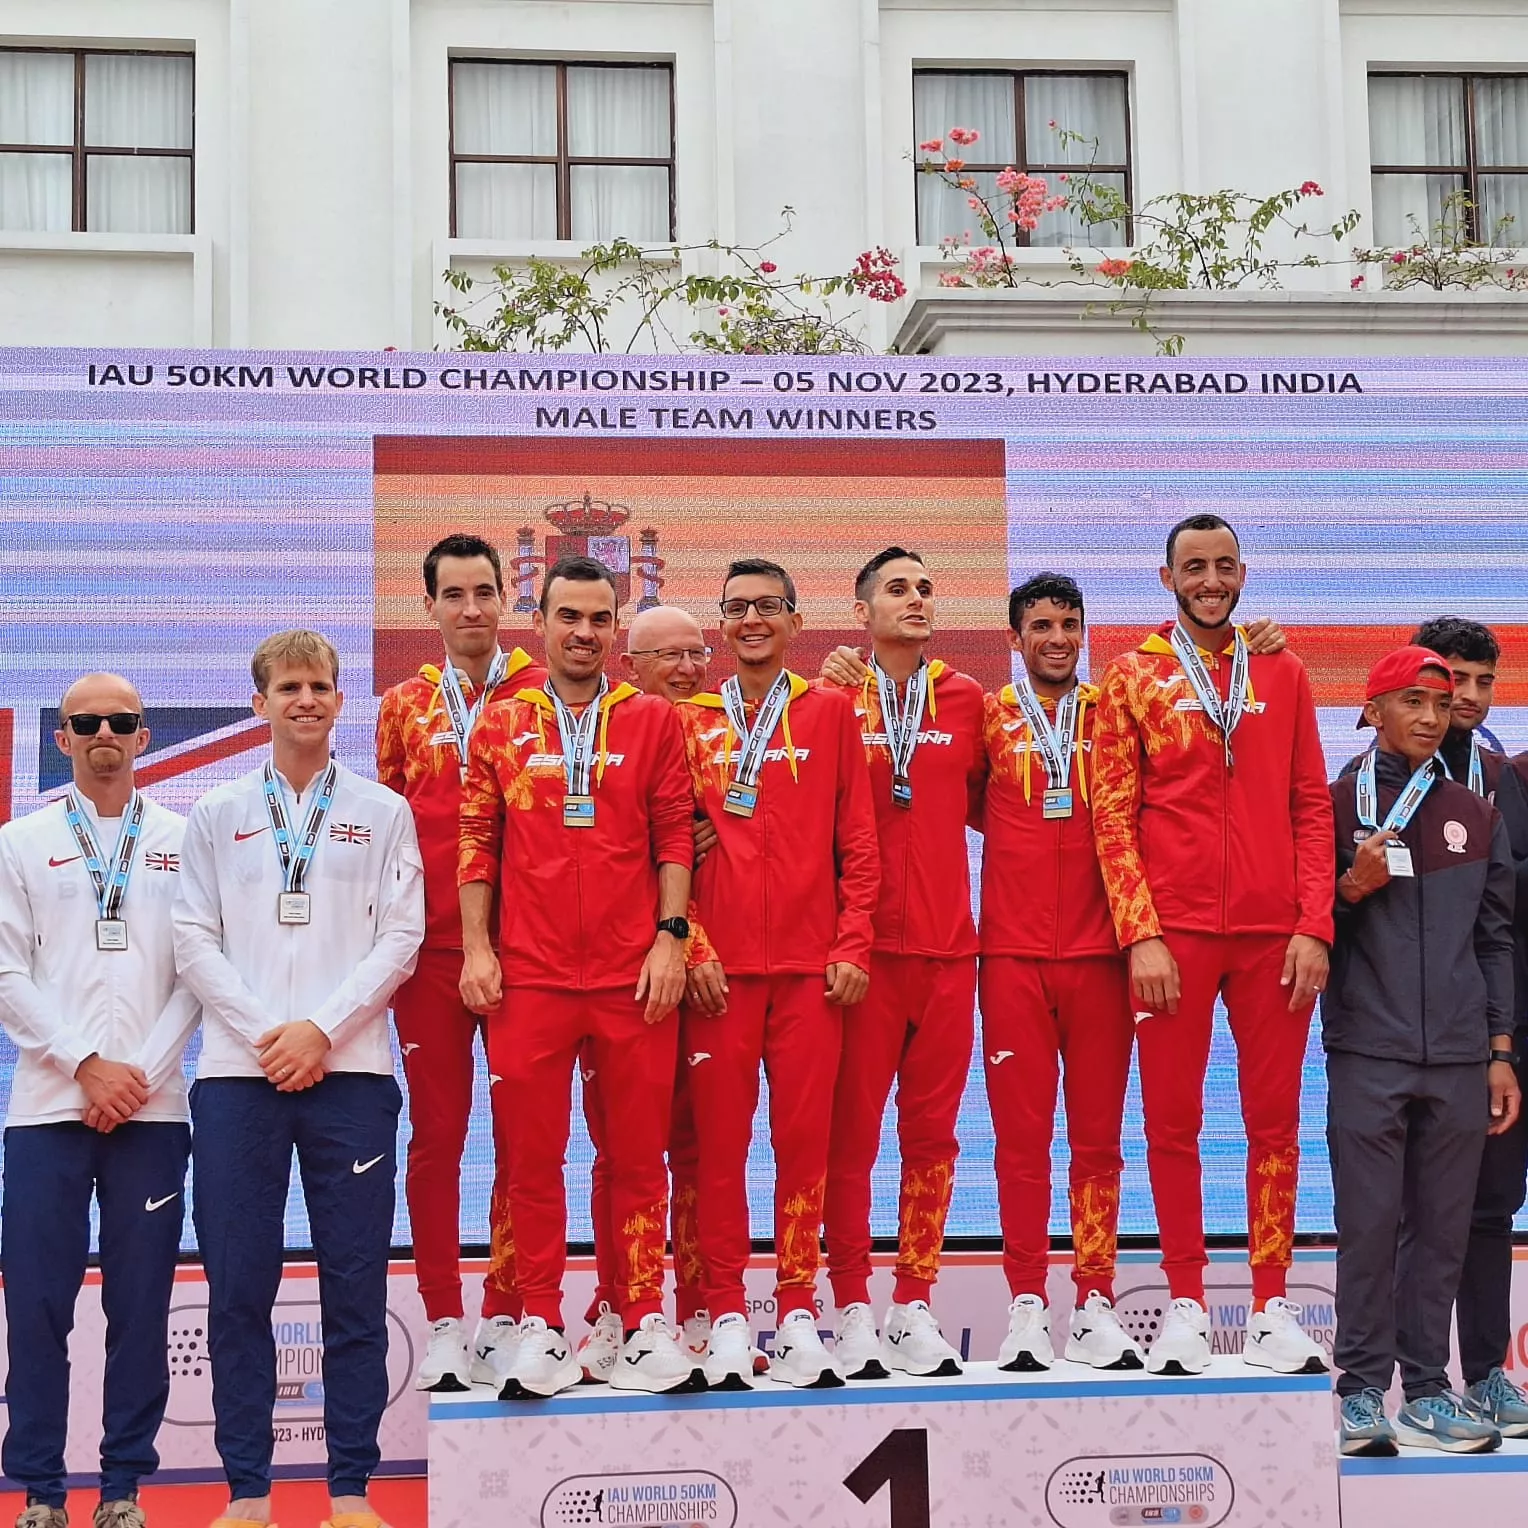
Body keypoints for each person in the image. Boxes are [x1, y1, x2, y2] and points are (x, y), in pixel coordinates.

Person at [173, 630, 424, 1528]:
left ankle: (349, 1489)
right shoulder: (215, 812)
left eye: (320, 685)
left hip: (351, 1074)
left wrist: (320, 1031)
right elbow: (190, 937)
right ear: (260, 702)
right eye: (289, 686)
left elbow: (402, 937)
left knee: (352, 1285)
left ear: (339, 701)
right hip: (239, 1079)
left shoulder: (383, 809)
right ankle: (247, 1490)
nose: (306, 699)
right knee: (240, 1286)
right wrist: (266, 1035)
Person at [1091, 514, 1334, 1376]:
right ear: (1167, 579)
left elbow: (1311, 805)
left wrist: (1314, 923)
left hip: (1274, 937)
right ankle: (1188, 1300)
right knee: (1172, 1124)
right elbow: (1112, 814)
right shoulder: (1130, 676)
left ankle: (1271, 1304)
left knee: (1276, 1126)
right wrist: (1140, 933)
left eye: (1224, 565)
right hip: (1175, 938)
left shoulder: (1283, 669)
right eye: (1193, 567)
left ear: (1243, 574)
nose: (1210, 580)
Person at [458, 556, 698, 1400]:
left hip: (635, 976)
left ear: (617, 628)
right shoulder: (499, 721)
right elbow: (477, 842)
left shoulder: (654, 722)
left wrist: (671, 942)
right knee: (531, 1159)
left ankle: (637, 1321)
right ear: (541, 623)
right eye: (570, 617)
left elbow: (676, 835)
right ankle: (538, 1325)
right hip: (531, 978)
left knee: (636, 1158)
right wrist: (480, 951)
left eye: (601, 619)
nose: (585, 633)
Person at [0, 675, 199, 1528]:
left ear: (146, 737)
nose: (105, 733)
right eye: (88, 723)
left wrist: (139, 1074)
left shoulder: (188, 841)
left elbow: (201, 973)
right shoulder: (20, 841)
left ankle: (122, 1487)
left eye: (121, 721)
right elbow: (6, 972)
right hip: (49, 1108)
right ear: (63, 739)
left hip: (152, 1112)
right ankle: (41, 1490)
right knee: (39, 1301)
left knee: (140, 1301)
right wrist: (84, 1063)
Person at [676, 557, 880, 1390]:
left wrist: (852, 945)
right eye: (736, 609)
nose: (751, 620)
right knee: (718, 1155)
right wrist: (690, 948)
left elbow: (859, 843)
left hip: (808, 974)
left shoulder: (832, 713)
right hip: (718, 975)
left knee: (805, 1152)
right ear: (721, 626)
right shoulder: (683, 720)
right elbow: (662, 850)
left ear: (797, 622)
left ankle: (796, 1308)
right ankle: (728, 1312)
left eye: (768, 606)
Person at [1327, 646, 1518, 1456]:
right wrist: (1348, 888)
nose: (1432, 717)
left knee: (1442, 1231)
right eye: (1414, 702)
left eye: (1441, 706)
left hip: (1460, 1058)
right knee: (1369, 1225)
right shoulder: (1333, 805)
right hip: (1369, 1049)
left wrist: (1499, 1048)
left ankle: (1429, 1391)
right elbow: (1297, 926)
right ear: (1372, 711)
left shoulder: (1475, 815)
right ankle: (1362, 1392)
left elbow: (1495, 939)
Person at [375, 533, 541, 1394]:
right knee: (438, 1138)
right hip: (433, 958)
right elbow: (394, 833)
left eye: (486, 592)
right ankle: (442, 1319)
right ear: (429, 605)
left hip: (533, 955)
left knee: (524, 1146)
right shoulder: (404, 705)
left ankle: (510, 1316)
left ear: (506, 599)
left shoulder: (547, 694)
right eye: (455, 595)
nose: (472, 608)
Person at [814, 548, 984, 1379]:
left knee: (934, 1140)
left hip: (952, 955)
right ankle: (849, 1304)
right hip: (864, 957)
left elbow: (1008, 808)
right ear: (860, 612)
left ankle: (913, 1301)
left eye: (925, 586)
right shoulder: (830, 698)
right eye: (896, 588)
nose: (916, 598)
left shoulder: (968, 702)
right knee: (850, 1142)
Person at [572, 604, 715, 1382]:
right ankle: (619, 1302)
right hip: (643, 969)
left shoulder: (733, 731)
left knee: (700, 1151)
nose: (689, 668)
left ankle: (696, 1307)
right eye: (670, 656)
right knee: (622, 1152)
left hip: (724, 979)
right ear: (630, 667)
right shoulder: (609, 736)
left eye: (699, 653)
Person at [1406, 617, 1528, 1436]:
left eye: (1486, 683)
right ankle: (1444, 1380)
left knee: (1495, 1203)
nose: (1472, 700)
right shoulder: (1379, 777)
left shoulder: (1499, 773)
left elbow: (1509, 909)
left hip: (1504, 1023)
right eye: (1457, 681)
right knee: (1444, 1211)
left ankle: (1487, 1375)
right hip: (1431, 1034)